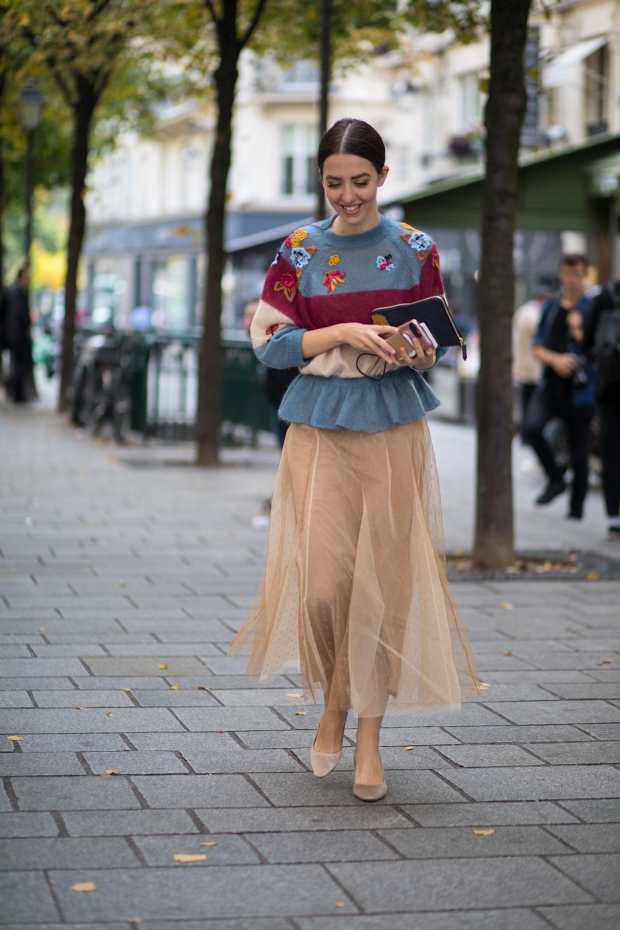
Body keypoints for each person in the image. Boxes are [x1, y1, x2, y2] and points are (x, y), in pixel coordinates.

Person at [228, 118, 479, 802]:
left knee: (382, 587)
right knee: (323, 590)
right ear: (321, 179)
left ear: (383, 178)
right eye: (334, 182)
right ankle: (334, 702)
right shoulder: (300, 248)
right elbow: (270, 345)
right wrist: (338, 330)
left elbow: (438, 341)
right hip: (318, 427)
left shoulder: (416, 248)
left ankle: (366, 735)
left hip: (394, 427)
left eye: (360, 181)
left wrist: (419, 348)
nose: (347, 195)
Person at [523, 254, 593, 518]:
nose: (571, 279)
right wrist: (556, 360)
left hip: (581, 389)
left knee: (579, 452)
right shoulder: (551, 307)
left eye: (577, 273)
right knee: (531, 429)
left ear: (584, 275)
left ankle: (576, 511)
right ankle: (555, 479)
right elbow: (537, 346)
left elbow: (598, 348)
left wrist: (578, 334)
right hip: (551, 384)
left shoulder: (592, 307)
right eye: (567, 273)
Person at [583, 282, 620, 537]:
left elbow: (588, 342)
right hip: (609, 391)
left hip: (610, 389)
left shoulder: (605, 296)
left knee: (611, 452)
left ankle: (614, 515)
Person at [512, 284, 547, 441]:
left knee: (526, 401)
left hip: (524, 365)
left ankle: (525, 433)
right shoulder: (533, 315)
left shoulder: (524, 310)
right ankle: (526, 435)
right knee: (529, 403)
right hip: (531, 367)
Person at [4, 264, 37, 404]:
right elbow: (20, 315)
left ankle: (15, 392)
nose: (29, 278)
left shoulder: (11, 291)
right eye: (27, 275)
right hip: (17, 335)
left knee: (17, 364)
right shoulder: (18, 292)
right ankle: (16, 393)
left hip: (13, 334)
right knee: (19, 365)